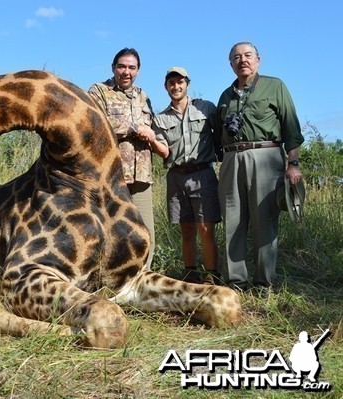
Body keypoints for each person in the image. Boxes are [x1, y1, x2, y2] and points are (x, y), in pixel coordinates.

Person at [215, 42, 304, 292]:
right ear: (230, 63)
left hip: (266, 156)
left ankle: (264, 283)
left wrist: (293, 163)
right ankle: (236, 282)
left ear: (258, 59)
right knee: (232, 221)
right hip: (232, 159)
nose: (242, 60)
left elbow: (291, 128)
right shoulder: (225, 95)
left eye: (248, 55)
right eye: (236, 57)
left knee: (265, 221)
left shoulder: (275, 86)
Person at [89, 48, 168, 268]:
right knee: (110, 229)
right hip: (111, 175)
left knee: (145, 231)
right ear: (113, 68)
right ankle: (109, 279)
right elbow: (96, 124)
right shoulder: (99, 91)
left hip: (141, 176)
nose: (126, 72)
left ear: (138, 71)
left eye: (131, 67)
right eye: (122, 66)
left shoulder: (144, 96)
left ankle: (144, 277)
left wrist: (151, 137)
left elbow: (152, 129)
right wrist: (134, 128)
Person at [154, 67, 221, 285]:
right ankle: (190, 274)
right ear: (166, 87)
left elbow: (221, 135)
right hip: (176, 176)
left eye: (180, 82)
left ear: (187, 84)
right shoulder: (161, 118)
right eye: (171, 83)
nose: (176, 86)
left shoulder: (206, 108)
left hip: (203, 174)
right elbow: (162, 149)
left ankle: (212, 276)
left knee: (205, 228)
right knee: (187, 229)